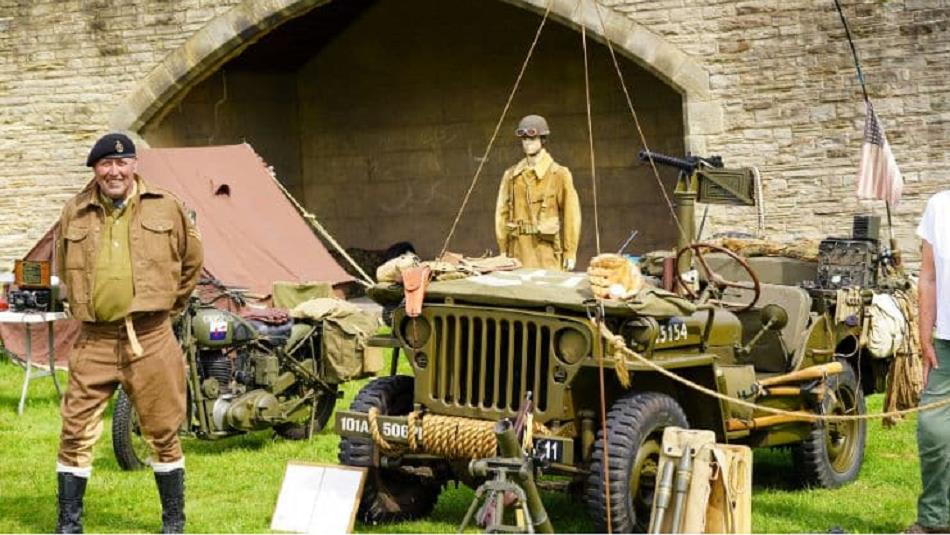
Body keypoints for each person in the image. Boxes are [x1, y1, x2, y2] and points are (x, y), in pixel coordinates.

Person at [54, 133, 203, 533]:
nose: (114, 171)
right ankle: (69, 525)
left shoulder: (167, 207)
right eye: (105, 164)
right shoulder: (75, 212)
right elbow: (61, 265)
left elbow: (192, 262)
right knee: (74, 432)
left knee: (164, 431)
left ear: (134, 165)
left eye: (122, 163)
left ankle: (173, 522)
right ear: (95, 170)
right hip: (94, 339)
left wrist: (168, 308)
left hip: (151, 338)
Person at [909, 190, 950, 534]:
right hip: (946, 343)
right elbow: (928, 276)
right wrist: (925, 336)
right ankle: (935, 520)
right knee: (933, 431)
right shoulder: (940, 206)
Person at [495, 114, 581, 271]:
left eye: (532, 139)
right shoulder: (511, 175)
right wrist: (503, 249)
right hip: (517, 254)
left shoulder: (559, 174)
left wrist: (570, 252)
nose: (527, 143)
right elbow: (502, 214)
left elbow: (571, 215)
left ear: (542, 139)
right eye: (524, 139)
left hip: (546, 254)